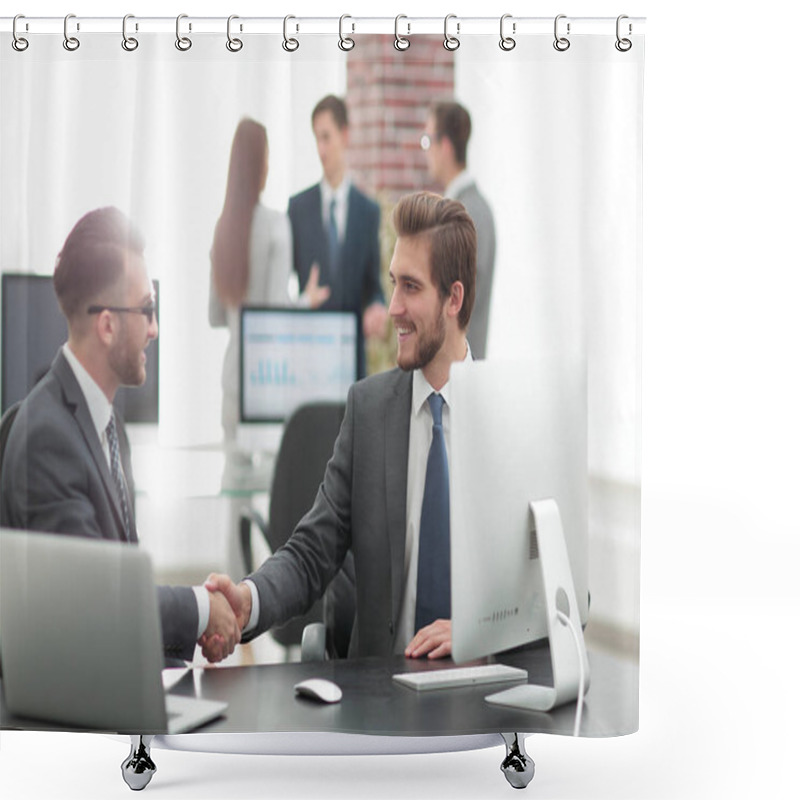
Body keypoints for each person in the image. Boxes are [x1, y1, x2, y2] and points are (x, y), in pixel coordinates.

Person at [205, 191, 477, 661]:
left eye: (410, 287)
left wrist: (475, 629)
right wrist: (248, 600)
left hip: (479, 687)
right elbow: (312, 551)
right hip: (380, 696)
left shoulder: (505, 416)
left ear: (454, 298)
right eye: (392, 283)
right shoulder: (369, 412)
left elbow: (549, 584)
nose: (392, 308)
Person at [0, 207, 240, 664]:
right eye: (147, 310)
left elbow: (121, 593)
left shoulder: (108, 427)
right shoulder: (47, 438)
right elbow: (97, 602)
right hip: (69, 713)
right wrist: (199, 609)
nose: (155, 329)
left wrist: (192, 632)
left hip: (112, 683)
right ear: (107, 325)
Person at [209, 118, 330, 446]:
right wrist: (307, 300)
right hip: (267, 380)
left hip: (231, 380)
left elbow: (215, 316)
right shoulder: (277, 225)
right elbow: (277, 314)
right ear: (261, 165)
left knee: (233, 487)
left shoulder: (223, 228)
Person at [288, 95, 388, 379]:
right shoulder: (297, 209)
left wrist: (377, 307)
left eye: (326, 138)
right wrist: (304, 300)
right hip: (308, 359)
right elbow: (281, 290)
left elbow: (373, 285)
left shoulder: (368, 211)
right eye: (316, 139)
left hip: (351, 364)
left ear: (345, 136)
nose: (320, 149)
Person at [422, 101, 496, 360]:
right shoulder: (474, 207)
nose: (426, 151)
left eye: (427, 141)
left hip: (457, 375)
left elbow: (453, 305)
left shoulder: (465, 215)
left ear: (445, 146)